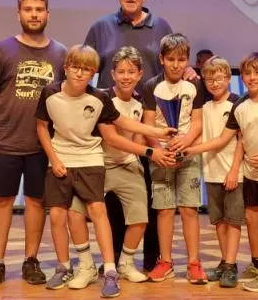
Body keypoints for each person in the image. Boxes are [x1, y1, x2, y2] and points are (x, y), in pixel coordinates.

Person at [35, 45, 172, 297]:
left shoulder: (102, 98)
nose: (79, 73)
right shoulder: (54, 93)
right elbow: (43, 128)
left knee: (109, 213)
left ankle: (113, 269)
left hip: (97, 161)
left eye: (86, 69)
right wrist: (53, 159)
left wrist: (157, 133)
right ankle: (74, 267)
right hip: (73, 161)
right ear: (65, 68)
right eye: (75, 67)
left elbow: (124, 122)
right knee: (60, 214)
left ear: (93, 72)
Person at [83, 0, 184, 272]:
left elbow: (172, 60)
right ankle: (112, 259)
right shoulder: (101, 27)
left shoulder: (161, 26)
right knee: (114, 193)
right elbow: (87, 68)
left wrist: (188, 71)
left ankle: (152, 259)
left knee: (150, 192)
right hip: (111, 120)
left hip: (150, 119)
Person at [0, 0, 68, 288]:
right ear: (19, 14)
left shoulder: (61, 53)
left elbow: (66, 100)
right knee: (1, 201)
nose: (34, 14)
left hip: (42, 144)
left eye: (39, 9)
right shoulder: (2, 50)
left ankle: (31, 260)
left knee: (36, 202)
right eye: (28, 9)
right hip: (4, 140)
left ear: (48, 14)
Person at [188, 52, 258, 292]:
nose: (252, 77)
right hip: (250, 175)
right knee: (251, 218)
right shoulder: (240, 106)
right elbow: (231, 138)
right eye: (247, 73)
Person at [67, 47, 178, 284]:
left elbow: (136, 139)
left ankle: (126, 264)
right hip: (97, 165)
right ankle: (85, 265)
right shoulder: (102, 98)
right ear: (113, 74)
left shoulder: (139, 103)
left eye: (131, 72)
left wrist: (157, 146)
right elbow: (112, 138)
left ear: (139, 74)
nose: (126, 76)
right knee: (75, 211)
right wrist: (152, 152)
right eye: (121, 72)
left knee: (140, 216)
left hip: (127, 166)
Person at [141, 33, 207, 284]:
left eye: (181, 59)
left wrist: (187, 142)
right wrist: (159, 151)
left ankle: (193, 262)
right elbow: (148, 125)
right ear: (161, 59)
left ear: (187, 60)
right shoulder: (150, 86)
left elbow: (197, 122)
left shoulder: (195, 86)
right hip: (161, 156)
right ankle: (165, 261)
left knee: (189, 209)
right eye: (170, 59)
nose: (176, 64)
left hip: (188, 154)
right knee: (164, 210)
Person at [191, 56, 244, 288]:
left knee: (233, 221)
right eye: (209, 78)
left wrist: (234, 171)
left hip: (233, 173)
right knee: (219, 222)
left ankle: (232, 266)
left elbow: (236, 141)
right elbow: (201, 134)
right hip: (211, 171)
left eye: (219, 77)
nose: (214, 83)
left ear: (229, 78)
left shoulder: (237, 104)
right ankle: (224, 261)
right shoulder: (204, 107)